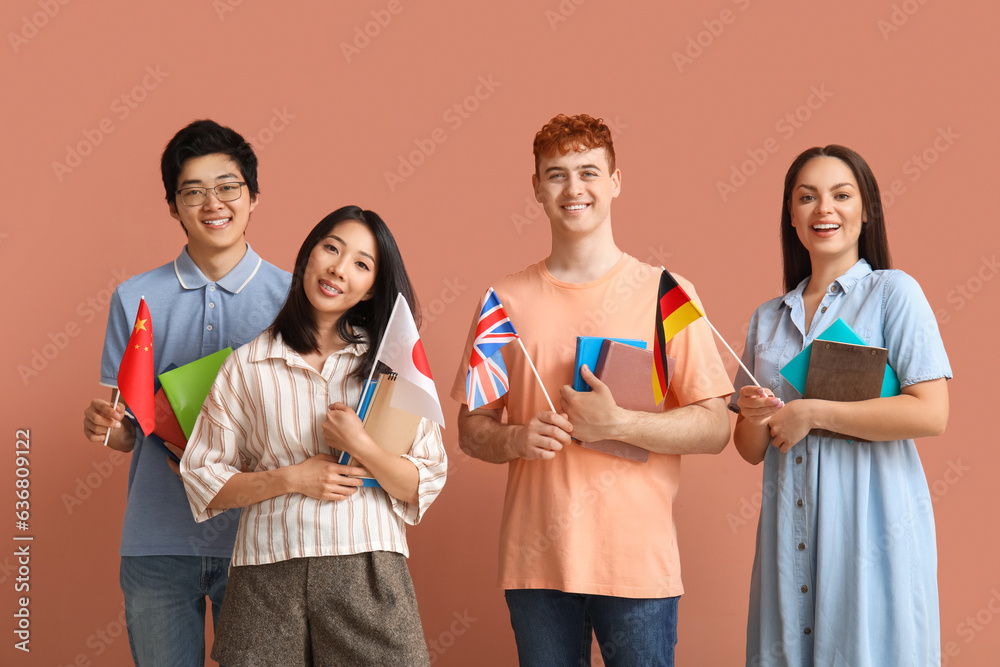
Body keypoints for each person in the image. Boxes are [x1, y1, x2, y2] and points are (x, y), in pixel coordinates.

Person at [451, 114, 733, 666]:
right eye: (556, 175)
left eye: (588, 172)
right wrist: (516, 439)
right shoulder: (500, 302)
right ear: (536, 188)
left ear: (615, 181)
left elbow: (717, 425)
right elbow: (469, 431)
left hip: (638, 565)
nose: (573, 189)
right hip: (536, 566)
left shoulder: (668, 293)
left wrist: (621, 425)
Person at [180, 206, 447, 666]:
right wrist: (292, 479)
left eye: (362, 264)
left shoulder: (394, 370)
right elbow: (204, 480)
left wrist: (361, 446)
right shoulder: (246, 365)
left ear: (370, 290)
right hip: (267, 569)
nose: (339, 269)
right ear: (308, 255)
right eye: (332, 248)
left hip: (367, 566)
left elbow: (424, 481)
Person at [731, 145, 951, 666]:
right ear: (791, 215)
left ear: (866, 208)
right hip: (792, 538)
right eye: (807, 197)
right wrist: (757, 415)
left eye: (840, 195)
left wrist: (814, 412)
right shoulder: (767, 319)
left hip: (872, 532)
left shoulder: (893, 293)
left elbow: (930, 413)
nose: (823, 209)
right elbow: (748, 449)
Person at [81, 119, 290, 665]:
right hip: (157, 540)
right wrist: (110, 430)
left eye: (227, 187)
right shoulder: (135, 297)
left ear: (253, 197)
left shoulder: (294, 297)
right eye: (192, 191)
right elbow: (127, 430)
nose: (212, 203)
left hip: (262, 542)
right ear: (173, 206)